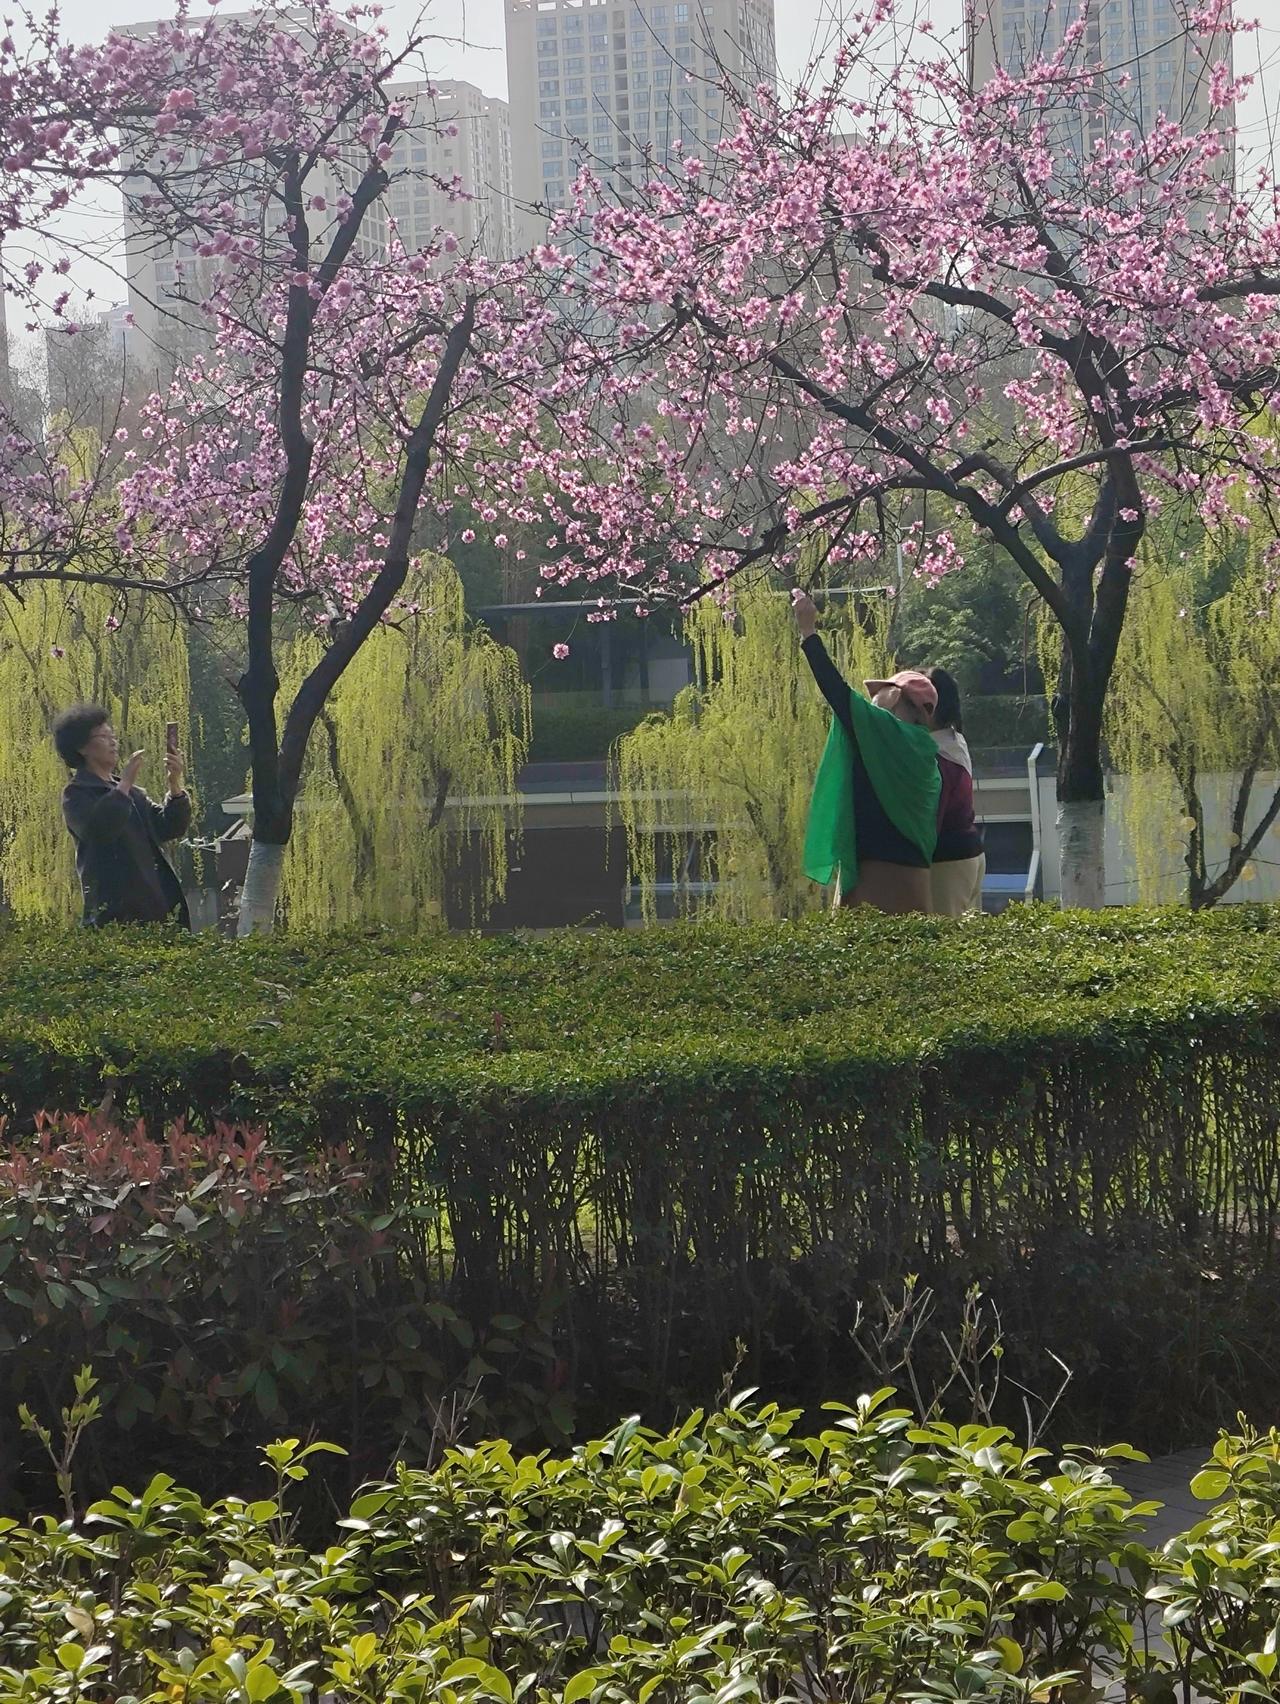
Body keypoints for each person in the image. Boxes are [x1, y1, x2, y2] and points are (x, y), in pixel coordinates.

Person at [791, 589, 940, 914]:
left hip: (875, 879)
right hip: (915, 884)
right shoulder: (926, 753)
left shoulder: (884, 733)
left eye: (883, 690)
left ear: (902, 699)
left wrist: (808, 631)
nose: (874, 695)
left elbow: (838, 693)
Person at [54, 704, 192, 928]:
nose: (113, 742)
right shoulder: (77, 793)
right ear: (82, 748)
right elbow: (99, 829)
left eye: (113, 735)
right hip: (115, 916)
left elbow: (168, 827)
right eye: (104, 736)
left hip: (158, 910)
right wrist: (125, 783)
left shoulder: (132, 793)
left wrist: (174, 786)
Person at [927, 667, 986, 917]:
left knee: (944, 939)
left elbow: (933, 819)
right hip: (968, 853)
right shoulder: (953, 741)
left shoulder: (936, 754)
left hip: (947, 860)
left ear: (927, 708)